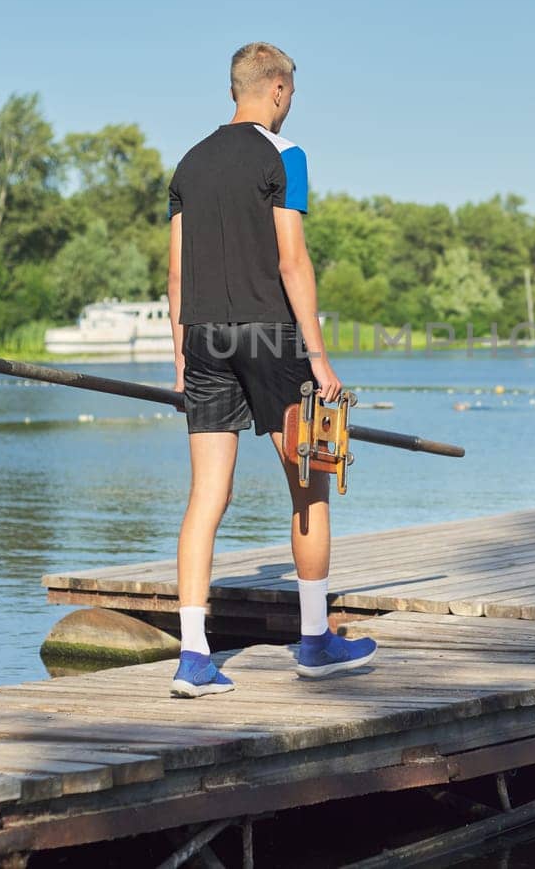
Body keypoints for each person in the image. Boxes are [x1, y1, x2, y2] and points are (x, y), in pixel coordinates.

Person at [165, 42, 376, 696]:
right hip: (273, 337)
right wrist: (318, 356)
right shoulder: (286, 155)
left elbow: (176, 272)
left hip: (203, 339)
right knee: (310, 485)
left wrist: (179, 358)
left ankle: (194, 658)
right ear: (279, 89)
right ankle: (314, 641)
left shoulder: (189, 163)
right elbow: (293, 262)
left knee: (207, 497)